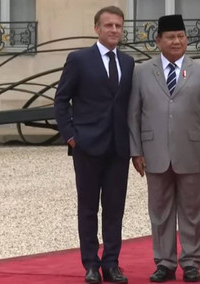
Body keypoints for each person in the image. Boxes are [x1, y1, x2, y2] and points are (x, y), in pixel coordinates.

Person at [128, 14, 200, 283]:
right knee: (159, 212)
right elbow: (134, 114)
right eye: (170, 37)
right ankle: (164, 262)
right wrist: (136, 151)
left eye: (181, 36)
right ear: (158, 40)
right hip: (154, 152)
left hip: (192, 152)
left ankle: (191, 261)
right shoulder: (142, 72)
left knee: (193, 211)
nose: (176, 41)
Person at [53, 6, 134, 284]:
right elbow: (61, 100)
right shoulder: (79, 60)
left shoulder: (128, 62)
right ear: (97, 28)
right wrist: (70, 136)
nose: (114, 30)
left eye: (118, 26)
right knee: (88, 208)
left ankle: (111, 263)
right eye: (109, 25)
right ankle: (90, 264)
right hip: (87, 146)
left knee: (114, 209)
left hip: (118, 148)